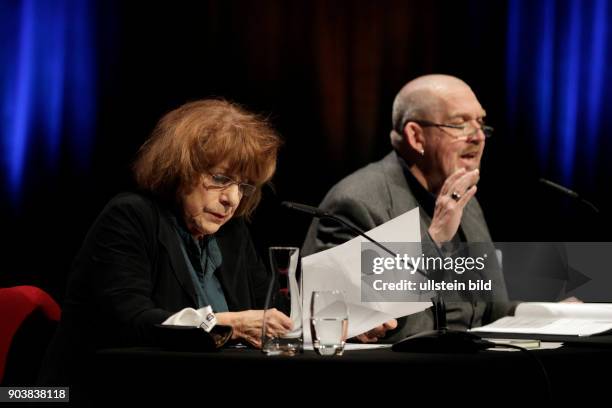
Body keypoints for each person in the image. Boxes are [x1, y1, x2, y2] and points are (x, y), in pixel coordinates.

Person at [39, 100, 292, 398]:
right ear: (181, 167)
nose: (232, 199)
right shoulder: (130, 217)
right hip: (101, 389)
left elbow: (270, 312)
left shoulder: (232, 233)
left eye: (243, 185)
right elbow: (130, 322)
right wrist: (226, 324)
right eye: (221, 179)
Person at [302, 74, 513, 342]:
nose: (478, 137)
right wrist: (433, 238)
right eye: (459, 124)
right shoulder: (356, 202)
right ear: (416, 136)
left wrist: (549, 312)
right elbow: (336, 320)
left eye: (480, 123)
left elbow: (493, 308)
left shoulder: (464, 201)